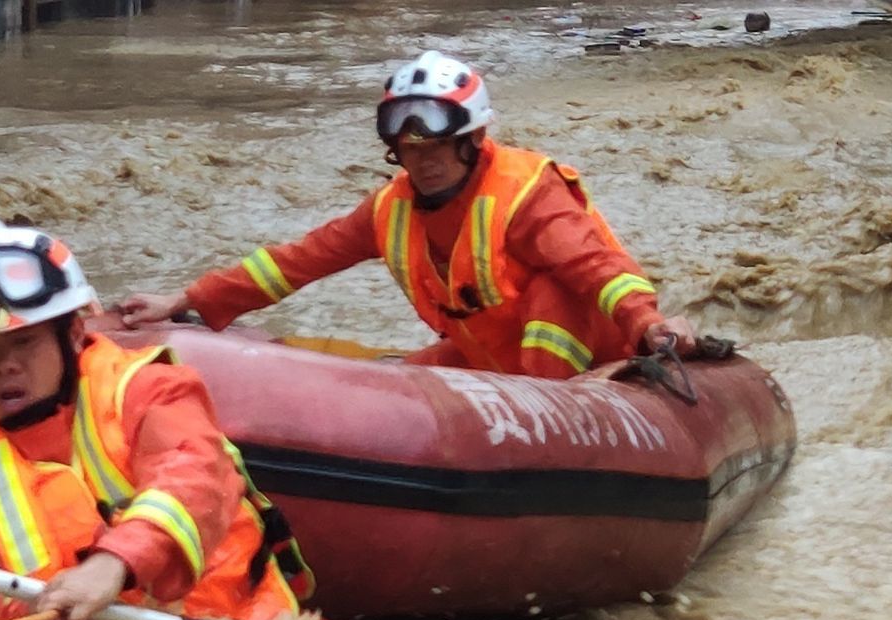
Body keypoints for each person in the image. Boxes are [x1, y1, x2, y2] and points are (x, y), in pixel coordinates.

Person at [121, 50, 699, 379]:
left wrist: (647, 321)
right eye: (412, 150)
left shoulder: (526, 193)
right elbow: (296, 262)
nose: (425, 163)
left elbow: (597, 267)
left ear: (472, 140)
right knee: (399, 382)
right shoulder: (390, 209)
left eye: (438, 147)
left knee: (553, 293)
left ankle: (550, 431)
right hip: (490, 354)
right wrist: (187, 299)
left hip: (573, 356)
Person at [0, 219, 312, 620]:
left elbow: (193, 478)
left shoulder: (149, 391)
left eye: (25, 343)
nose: (5, 366)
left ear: (72, 334)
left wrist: (113, 564)